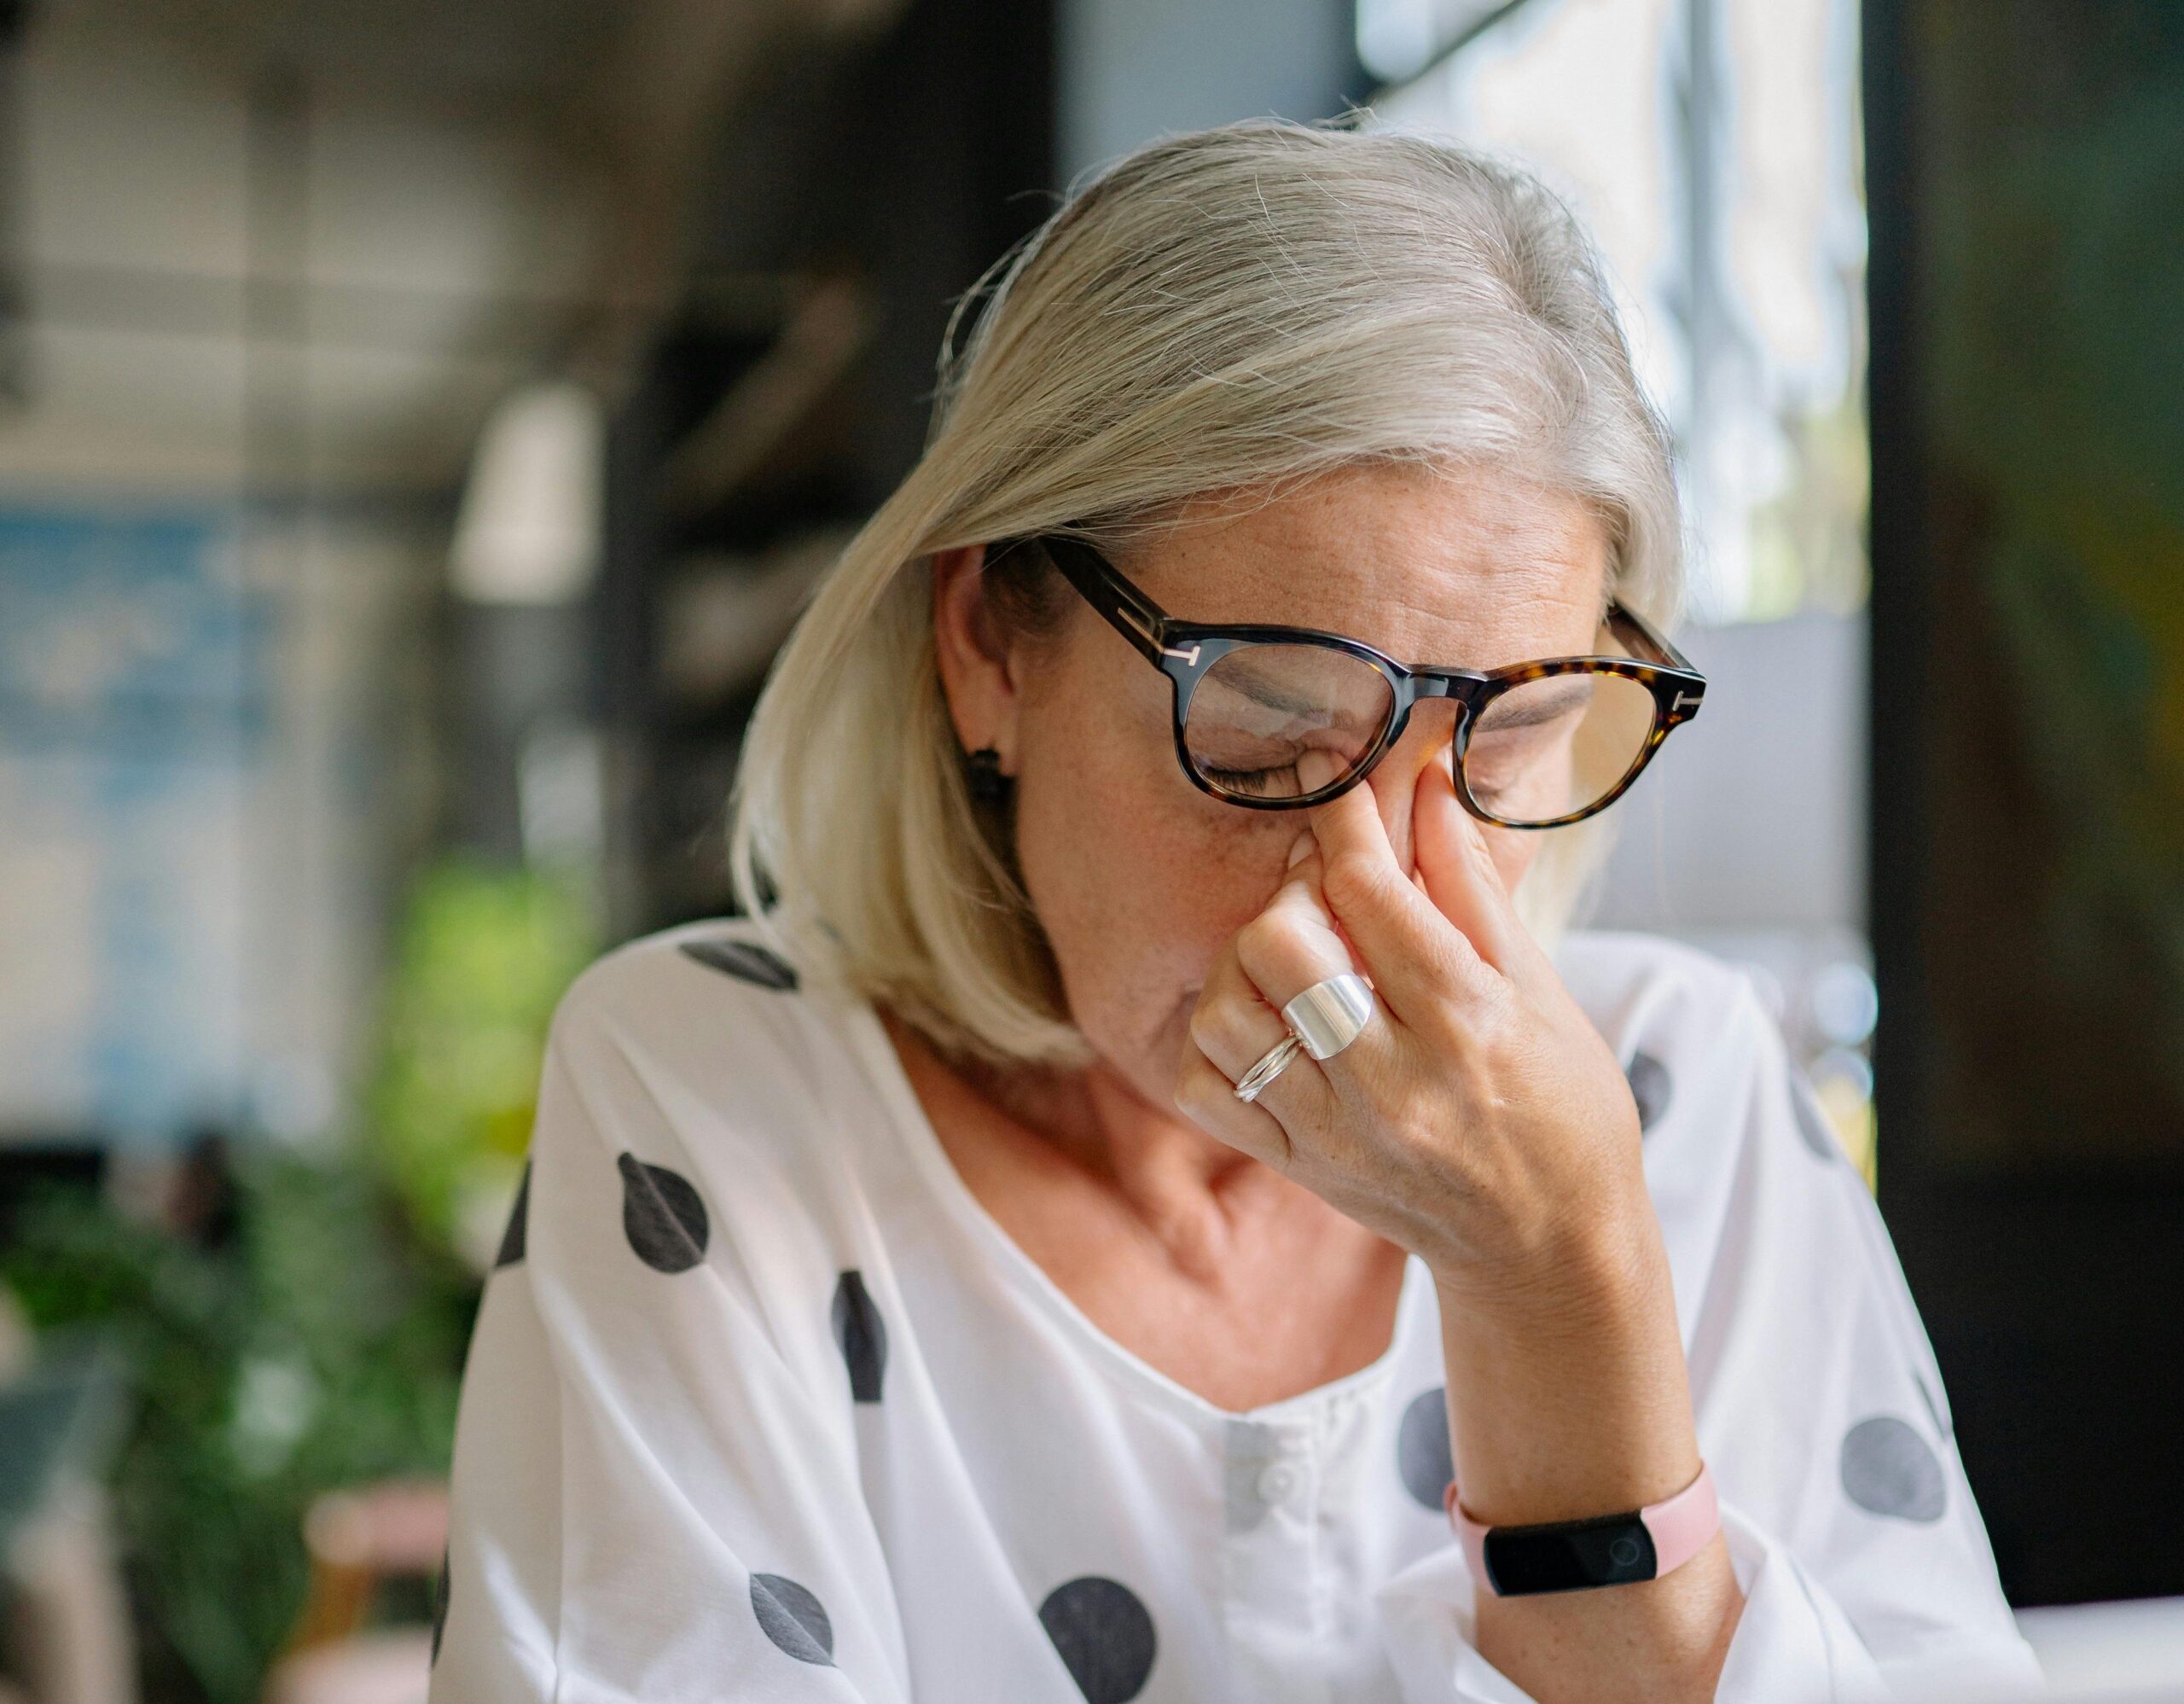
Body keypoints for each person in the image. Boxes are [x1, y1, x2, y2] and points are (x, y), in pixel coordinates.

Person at [431, 120, 2040, 1703]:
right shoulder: (725, 1103)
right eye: (1268, 742)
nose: (1391, 892)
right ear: (991, 641)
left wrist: (1554, 1277)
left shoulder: (1687, 1099)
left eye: (1511, 743)